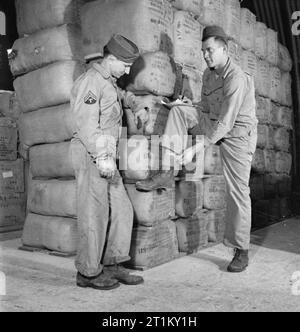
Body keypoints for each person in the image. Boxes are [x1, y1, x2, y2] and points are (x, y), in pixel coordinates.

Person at [136, 26, 258, 273]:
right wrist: (188, 104)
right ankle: (167, 169)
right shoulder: (209, 74)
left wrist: (196, 148)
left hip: (237, 136)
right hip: (214, 123)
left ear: (224, 49)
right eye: (203, 51)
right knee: (180, 112)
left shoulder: (237, 78)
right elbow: (208, 108)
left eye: (210, 50)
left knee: (238, 192)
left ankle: (241, 250)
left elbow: (226, 120)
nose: (205, 55)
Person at [70, 34, 150, 290]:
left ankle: (113, 263)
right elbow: (85, 125)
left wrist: (137, 106)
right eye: (125, 65)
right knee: (94, 213)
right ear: (111, 58)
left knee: (123, 210)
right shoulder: (91, 82)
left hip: (105, 157)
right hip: (91, 154)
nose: (127, 70)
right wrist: (102, 156)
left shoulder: (109, 82)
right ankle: (88, 272)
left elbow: (122, 96)